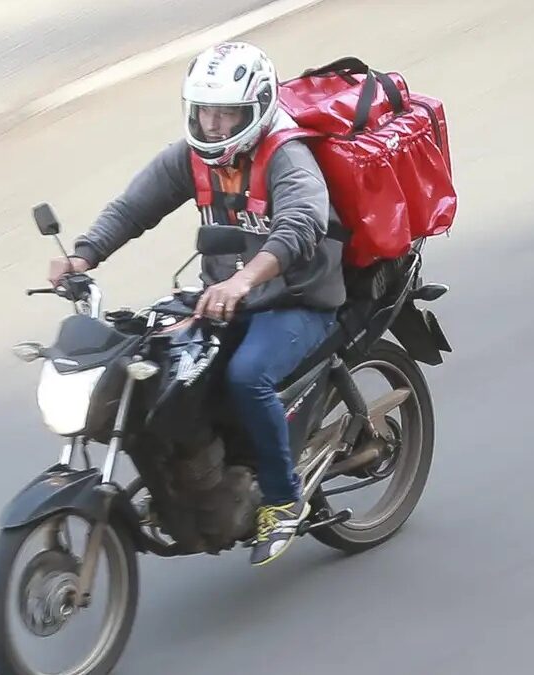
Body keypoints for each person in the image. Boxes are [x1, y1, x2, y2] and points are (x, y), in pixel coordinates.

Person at [46, 41, 346, 566]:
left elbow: (301, 225)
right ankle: (192, 478)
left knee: (246, 376)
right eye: (204, 111)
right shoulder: (193, 157)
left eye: (227, 112)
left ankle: (282, 498)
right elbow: (135, 205)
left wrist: (246, 280)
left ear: (256, 110)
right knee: (158, 363)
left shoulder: (286, 156)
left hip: (296, 299)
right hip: (221, 296)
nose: (212, 124)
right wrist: (84, 256)